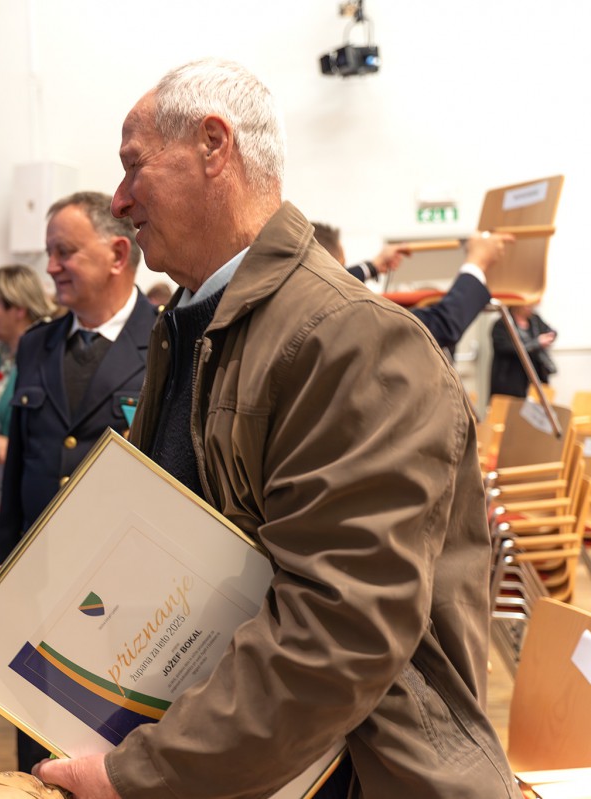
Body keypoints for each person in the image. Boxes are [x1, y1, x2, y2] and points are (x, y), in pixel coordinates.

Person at [35, 58, 516, 799]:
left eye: (134, 166)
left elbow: (339, 631)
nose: (121, 199)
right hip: (241, 760)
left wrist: (143, 774)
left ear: (213, 146)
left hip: (363, 774)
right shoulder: (192, 325)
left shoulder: (351, 337)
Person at [0, 190, 155, 771]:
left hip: (129, 593)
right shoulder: (38, 344)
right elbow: (19, 470)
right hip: (41, 587)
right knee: (38, 742)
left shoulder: (165, 341)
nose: (51, 266)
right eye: (49, 252)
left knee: (117, 748)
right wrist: (4, 575)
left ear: (117, 254)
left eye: (64, 252)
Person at [313, 221, 512, 352]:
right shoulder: (343, 319)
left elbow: (332, 280)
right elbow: (441, 325)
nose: (344, 275)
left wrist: (372, 266)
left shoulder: (306, 294)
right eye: (342, 266)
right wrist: (477, 262)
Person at [0, 264, 55, 527]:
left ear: (19, 308)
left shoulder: (51, 355)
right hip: (0, 486)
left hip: (37, 493)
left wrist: (13, 448)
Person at [490, 303, 557, 397]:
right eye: (527, 305)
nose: (531, 307)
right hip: (511, 377)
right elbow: (506, 348)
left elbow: (549, 330)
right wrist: (536, 343)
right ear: (517, 305)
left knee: (537, 402)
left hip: (534, 374)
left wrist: (549, 336)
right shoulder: (502, 324)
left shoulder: (535, 320)